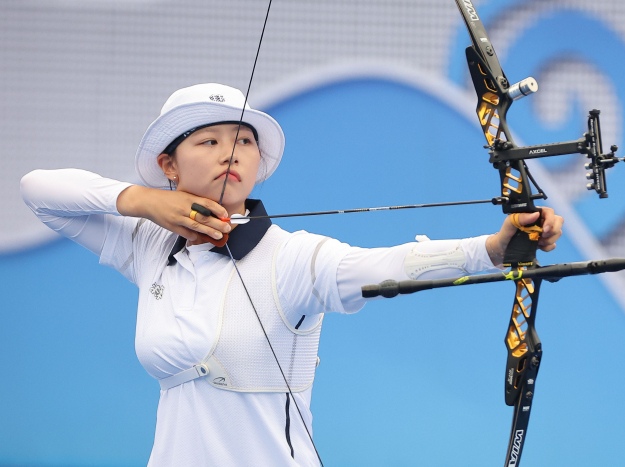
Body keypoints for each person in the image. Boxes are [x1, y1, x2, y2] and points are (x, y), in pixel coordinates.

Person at [20, 83, 563, 466]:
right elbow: (39, 191)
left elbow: (386, 265)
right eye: (207, 141)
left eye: (244, 141)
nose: (230, 153)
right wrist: (139, 202)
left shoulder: (294, 258)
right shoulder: (146, 244)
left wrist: (490, 249)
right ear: (169, 165)